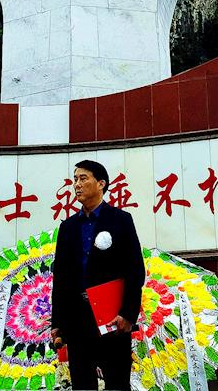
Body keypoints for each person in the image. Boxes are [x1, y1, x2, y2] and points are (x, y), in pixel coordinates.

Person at [50, 159, 145, 391]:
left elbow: (135, 270)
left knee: (117, 382)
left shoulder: (121, 220)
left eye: (83, 179)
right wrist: (58, 322)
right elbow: (61, 277)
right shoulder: (68, 227)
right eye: (75, 180)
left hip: (111, 318)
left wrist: (128, 314)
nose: (77, 185)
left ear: (101, 183)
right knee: (82, 383)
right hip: (77, 319)